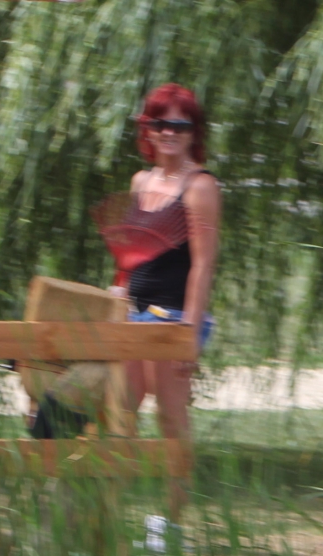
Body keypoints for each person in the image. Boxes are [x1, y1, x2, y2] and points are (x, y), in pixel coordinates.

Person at [117, 83, 220, 441]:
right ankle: (112, 496)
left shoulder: (200, 187)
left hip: (174, 317)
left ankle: (179, 496)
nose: (169, 133)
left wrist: (188, 335)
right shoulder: (141, 181)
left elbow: (203, 264)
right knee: (122, 408)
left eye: (180, 126)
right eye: (160, 124)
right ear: (147, 128)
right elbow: (134, 252)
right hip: (135, 313)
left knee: (170, 416)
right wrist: (119, 291)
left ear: (194, 133)